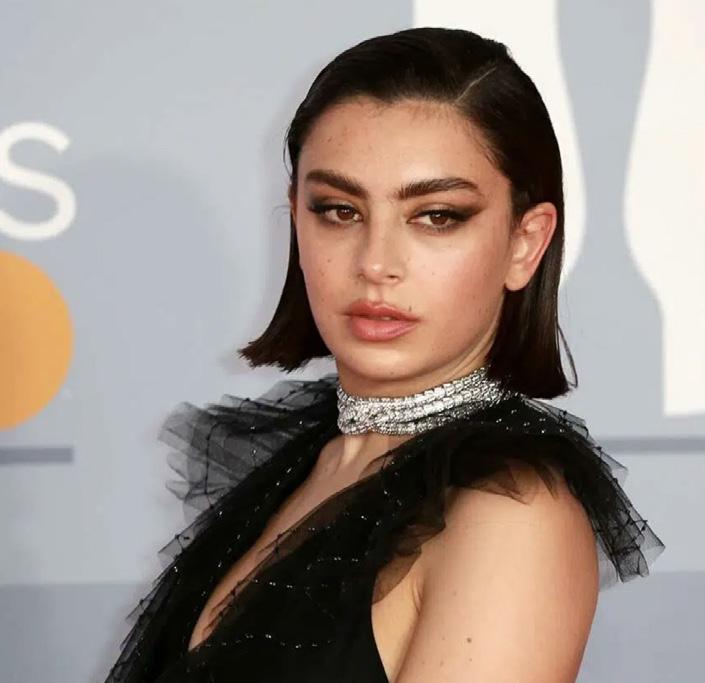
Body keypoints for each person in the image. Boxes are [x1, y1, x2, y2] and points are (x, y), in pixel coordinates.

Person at [103, 26, 665, 683]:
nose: (375, 263)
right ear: (295, 216)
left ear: (525, 242)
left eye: (436, 216)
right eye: (339, 210)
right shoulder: (312, 463)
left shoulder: (508, 514)